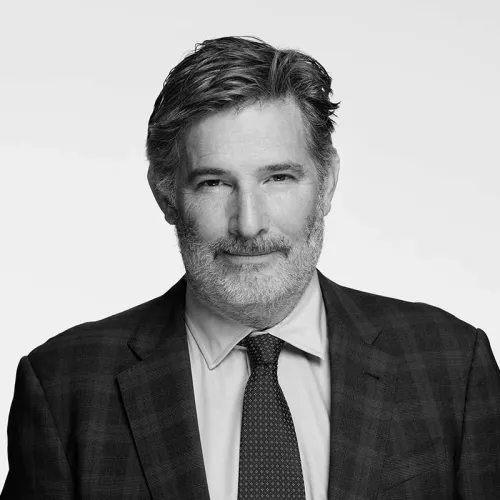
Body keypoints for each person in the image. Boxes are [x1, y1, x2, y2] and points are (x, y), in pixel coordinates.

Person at [1, 36, 499, 500]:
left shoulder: (453, 365)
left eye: (278, 178)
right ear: (166, 194)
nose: (249, 223)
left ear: (327, 183)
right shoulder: (63, 386)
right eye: (214, 183)